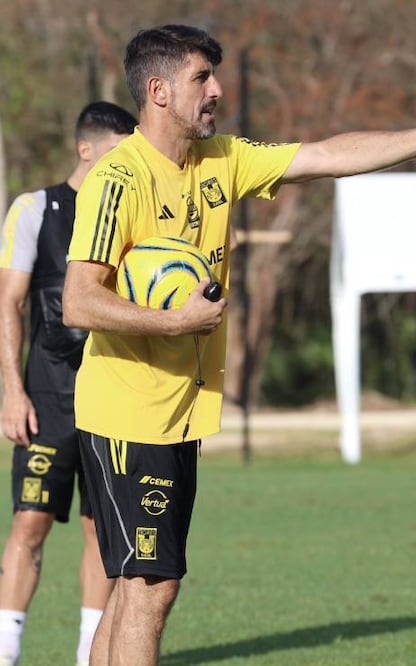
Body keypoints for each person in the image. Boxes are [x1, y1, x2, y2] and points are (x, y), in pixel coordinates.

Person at [60, 24, 416, 666]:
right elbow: (77, 299)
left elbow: (325, 155)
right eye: (201, 78)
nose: (216, 89)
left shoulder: (222, 158)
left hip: (174, 414)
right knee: (151, 589)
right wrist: (172, 323)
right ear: (158, 91)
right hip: (126, 416)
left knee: (140, 588)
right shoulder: (119, 180)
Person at [0, 101, 136, 666]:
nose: (128, 164)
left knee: (98, 531)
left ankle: (88, 656)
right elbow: (9, 303)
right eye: (118, 152)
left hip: (112, 399)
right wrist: (12, 391)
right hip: (47, 398)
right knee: (29, 525)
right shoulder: (35, 208)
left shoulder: (132, 212)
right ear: (86, 149)